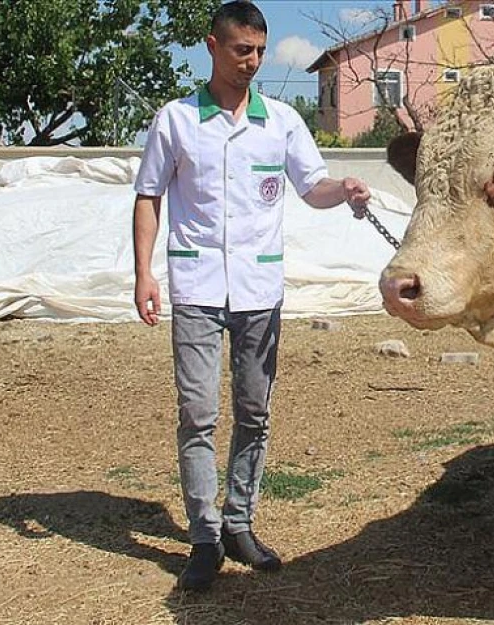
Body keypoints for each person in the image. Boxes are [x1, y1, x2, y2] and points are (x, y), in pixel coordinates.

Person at [131, 0, 371, 592]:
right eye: (242, 50)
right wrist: (144, 273)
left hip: (260, 290)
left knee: (255, 413)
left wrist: (344, 188)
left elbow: (311, 186)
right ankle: (204, 538)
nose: (253, 62)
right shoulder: (177, 121)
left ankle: (239, 522)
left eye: (260, 51)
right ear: (212, 47)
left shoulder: (282, 122)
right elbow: (148, 196)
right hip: (197, 288)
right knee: (198, 414)